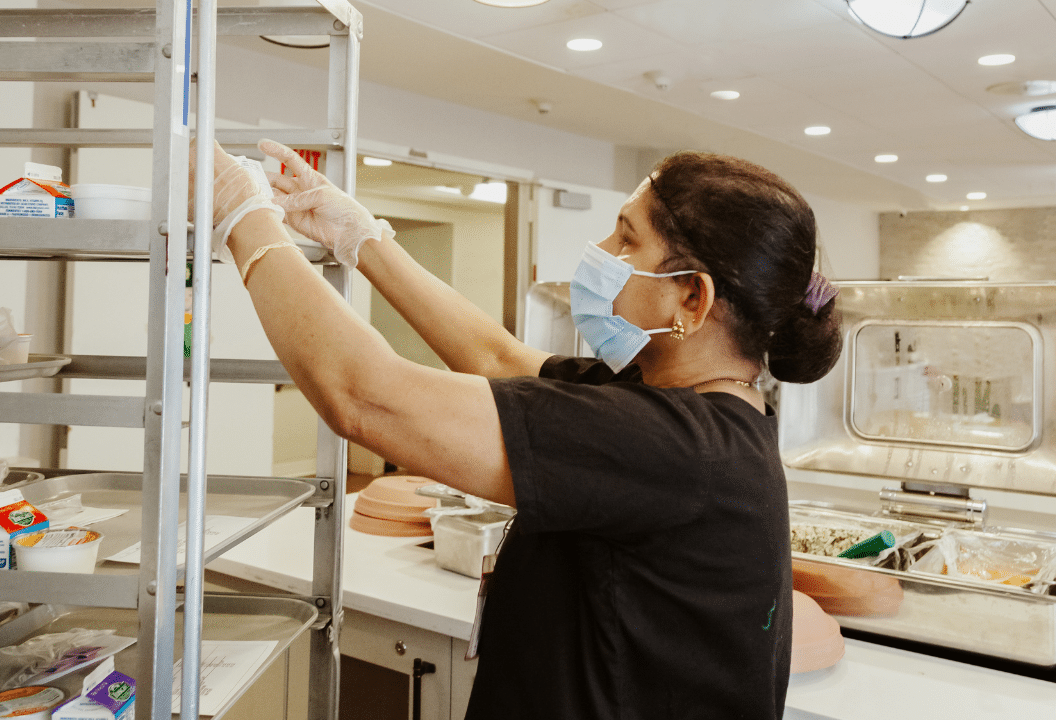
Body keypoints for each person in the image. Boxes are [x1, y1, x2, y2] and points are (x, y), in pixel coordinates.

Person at [193, 140, 843, 720]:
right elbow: (498, 360)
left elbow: (367, 398)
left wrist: (245, 222)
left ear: (692, 299)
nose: (602, 254)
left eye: (625, 239)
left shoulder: (674, 447)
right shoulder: (677, 404)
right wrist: (361, 240)